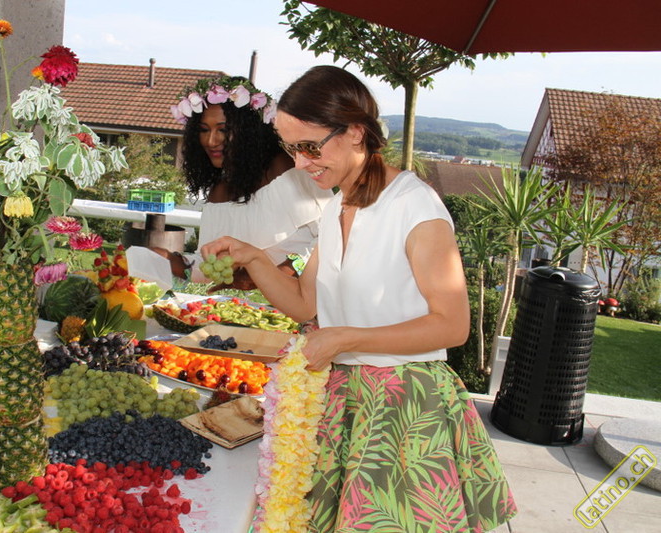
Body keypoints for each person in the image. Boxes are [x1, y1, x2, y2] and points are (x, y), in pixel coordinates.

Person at [202, 66, 516, 532]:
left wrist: (344, 338)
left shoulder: (414, 206)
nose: (300, 163)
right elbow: (306, 304)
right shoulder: (338, 206)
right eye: (291, 149)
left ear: (354, 131)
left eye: (310, 147)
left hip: (403, 410)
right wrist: (254, 258)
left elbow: (452, 325)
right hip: (344, 402)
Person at [156, 75, 332, 291]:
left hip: (314, 300)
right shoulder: (219, 192)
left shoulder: (285, 169)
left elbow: (332, 236)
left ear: (248, 131)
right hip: (261, 306)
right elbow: (209, 265)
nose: (211, 141)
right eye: (204, 130)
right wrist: (172, 261)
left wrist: (279, 272)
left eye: (223, 129)